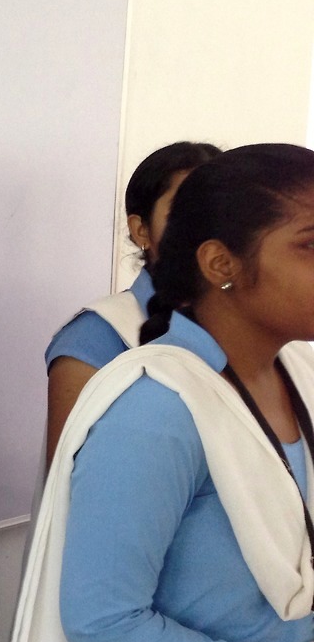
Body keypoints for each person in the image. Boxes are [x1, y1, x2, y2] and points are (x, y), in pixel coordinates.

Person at [0, 144, 314, 642]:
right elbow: (102, 616)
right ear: (221, 264)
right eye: (309, 245)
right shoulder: (157, 408)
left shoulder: (293, 379)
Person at [44, 141, 220, 462]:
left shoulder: (261, 336)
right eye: (185, 212)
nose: (208, 229)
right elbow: (67, 479)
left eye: (223, 211)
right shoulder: (96, 336)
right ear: (141, 230)